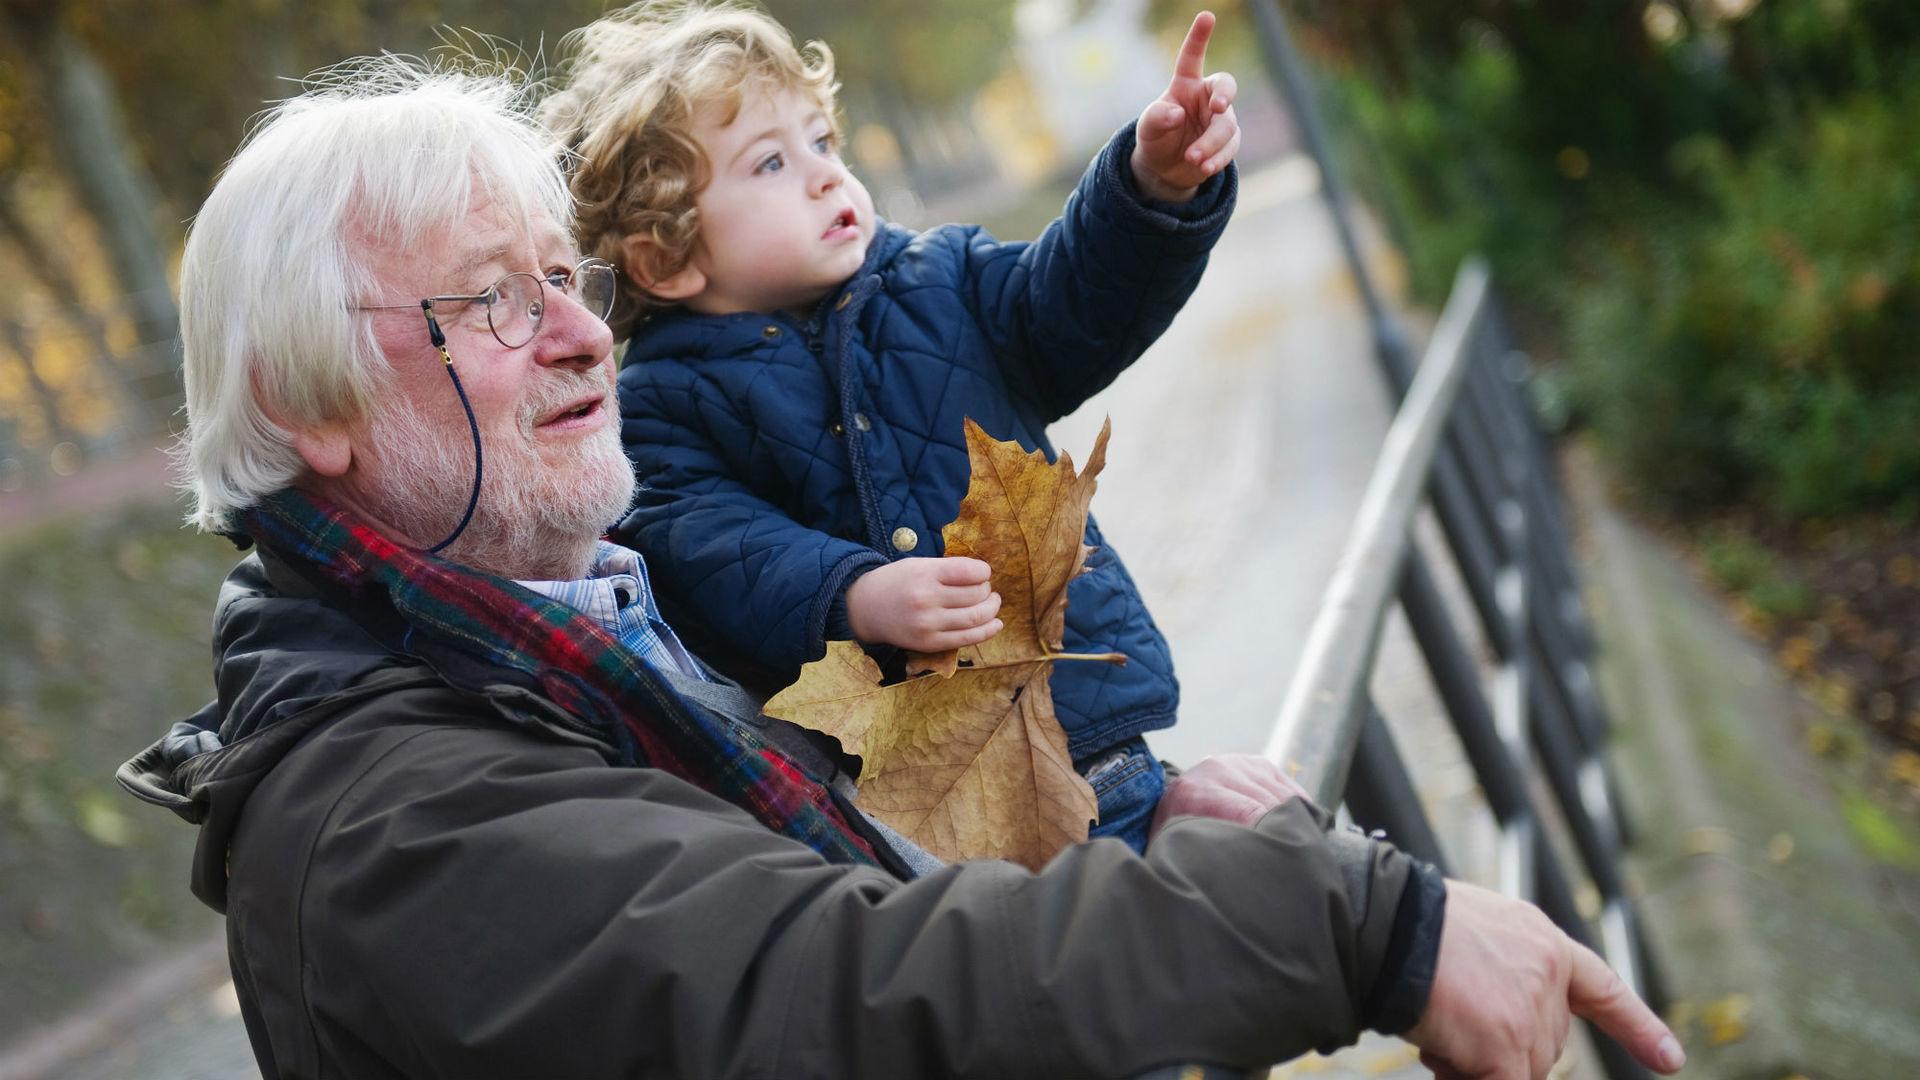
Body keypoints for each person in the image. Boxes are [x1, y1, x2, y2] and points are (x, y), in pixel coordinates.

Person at [118, 54, 1685, 1080]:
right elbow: (839, 987)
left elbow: (858, 827)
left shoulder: (564, 639)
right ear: (303, 405)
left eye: (558, 277)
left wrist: (1103, 813)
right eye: (490, 301)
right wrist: (1353, 920)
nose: (584, 330)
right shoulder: (391, 825)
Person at [541, 2, 1250, 852]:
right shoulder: (662, 404)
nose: (824, 175)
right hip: (919, 816)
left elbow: (1072, 301)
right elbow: (705, 546)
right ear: (669, 256)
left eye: (823, 142)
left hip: (1085, 740)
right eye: (770, 162)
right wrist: (851, 592)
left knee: (1214, 920)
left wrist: (1150, 189)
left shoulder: (940, 280)